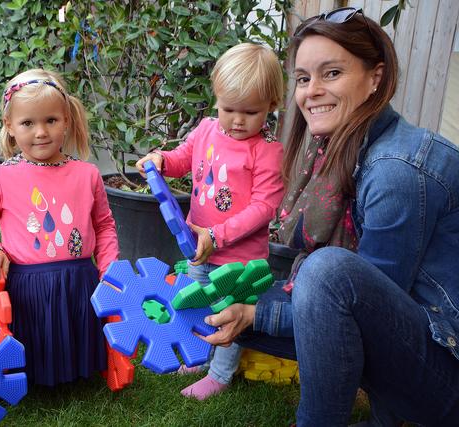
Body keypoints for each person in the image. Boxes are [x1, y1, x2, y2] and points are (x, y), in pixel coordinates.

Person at [201, 7, 459, 426]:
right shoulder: (346, 149)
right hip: (422, 341)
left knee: (323, 274)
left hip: (448, 374)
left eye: (332, 73)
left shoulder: (397, 170)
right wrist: (251, 311)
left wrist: (258, 315)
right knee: (253, 292)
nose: (311, 91)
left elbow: (369, 312)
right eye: (303, 78)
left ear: (376, 78)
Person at [136, 43, 285, 400]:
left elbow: (265, 206)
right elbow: (181, 159)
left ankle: (220, 374)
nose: (236, 120)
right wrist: (159, 158)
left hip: (238, 257)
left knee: (227, 311)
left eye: (250, 112)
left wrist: (217, 235)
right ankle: (200, 354)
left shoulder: (267, 151)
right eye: (228, 109)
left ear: (271, 107)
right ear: (216, 98)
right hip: (197, 247)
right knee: (197, 298)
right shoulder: (205, 130)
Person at [0, 68, 119, 387]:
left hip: (79, 280)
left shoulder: (87, 174)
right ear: (10, 126)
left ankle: (79, 368)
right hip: (28, 285)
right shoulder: (0, 177)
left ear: (66, 119)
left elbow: (104, 226)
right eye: (27, 123)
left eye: (51, 120)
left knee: (74, 333)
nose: (41, 132)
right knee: (36, 337)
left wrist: (109, 269)